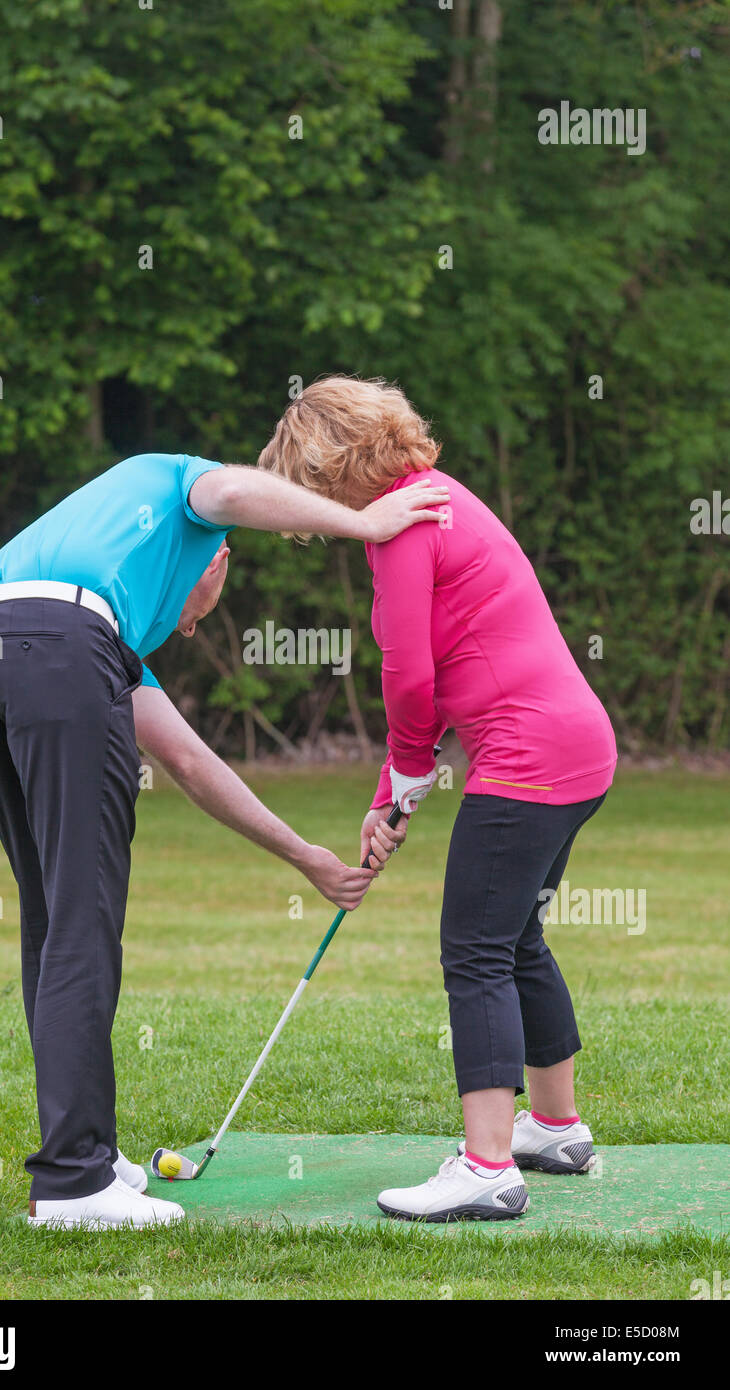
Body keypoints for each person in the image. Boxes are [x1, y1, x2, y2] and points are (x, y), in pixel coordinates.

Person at [0, 449, 447, 1230]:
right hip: (56, 651)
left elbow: (187, 760)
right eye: (203, 609)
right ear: (219, 557)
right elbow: (239, 487)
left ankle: (87, 1155)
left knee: (50, 913)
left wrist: (304, 857)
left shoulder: (103, 616)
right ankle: (73, 1184)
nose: (193, 621)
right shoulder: (178, 489)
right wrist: (363, 522)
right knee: (80, 917)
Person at [258, 377, 617, 1223]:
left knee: (477, 951)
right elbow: (449, 673)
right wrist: (396, 790)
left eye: (313, 491)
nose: (320, 515)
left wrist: (408, 772)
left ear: (338, 465)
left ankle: (489, 1165)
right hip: (579, 749)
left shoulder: (402, 528)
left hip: (526, 760)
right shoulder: (441, 496)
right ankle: (556, 1128)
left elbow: (409, 674)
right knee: (517, 933)